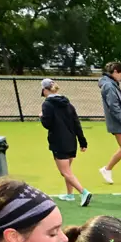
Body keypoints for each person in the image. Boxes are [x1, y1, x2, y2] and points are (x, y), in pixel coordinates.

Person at [39, 78, 91, 206]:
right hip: (71, 141)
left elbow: (47, 124)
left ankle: (84, 192)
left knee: (65, 172)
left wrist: (41, 117)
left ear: (45, 90)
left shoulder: (47, 104)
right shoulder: (68, 104)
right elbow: (76, 123)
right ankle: (69, 194)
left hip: (58, 141)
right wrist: (82, 141)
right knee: (68, 170)